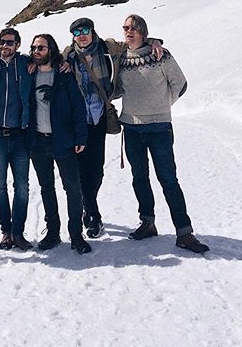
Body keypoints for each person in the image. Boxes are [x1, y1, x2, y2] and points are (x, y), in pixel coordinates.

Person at [116, 14, 209, 253]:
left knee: (168, 179)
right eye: (126, 27)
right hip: (132, 127)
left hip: (159, 127)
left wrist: (163, 104)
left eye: (134, 28)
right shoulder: (121, 57)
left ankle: (184, 233)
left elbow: (180, 83)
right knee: (140, 177)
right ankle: (147, 223)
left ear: (143, 32)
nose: (129, 31)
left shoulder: (161, 55)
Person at [64, 17, 164, 240]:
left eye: (85, 30)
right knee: (81, 170)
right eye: (77, 31)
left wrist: (155, 42)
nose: (81, 34)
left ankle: (87, 205)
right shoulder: (68, 55)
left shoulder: (108, 48)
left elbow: (136, 42)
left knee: (96, 170)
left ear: (92, 31)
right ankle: (93, 214)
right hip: (77, 122)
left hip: (99, 118)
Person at [29, 33, 91, 255]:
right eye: (34, 48)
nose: (37, 51)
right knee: (47, 188)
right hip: (38, 142)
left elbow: (78, 108)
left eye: (41, 48)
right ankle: (53, 231)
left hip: (63, 141)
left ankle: (76, 234)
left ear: (51, 50)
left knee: (72, 188)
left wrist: (80, 138)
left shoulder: (64, 76)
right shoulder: (29, 75)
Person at [0, 28, 34, 250]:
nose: (5, 46)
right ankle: (6, 231)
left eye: (10, 43)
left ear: (18, 45)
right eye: (2, 42)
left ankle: (18, 232)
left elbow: (50, 57)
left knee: (22, 187)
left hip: (19, 136)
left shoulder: (25, 65)